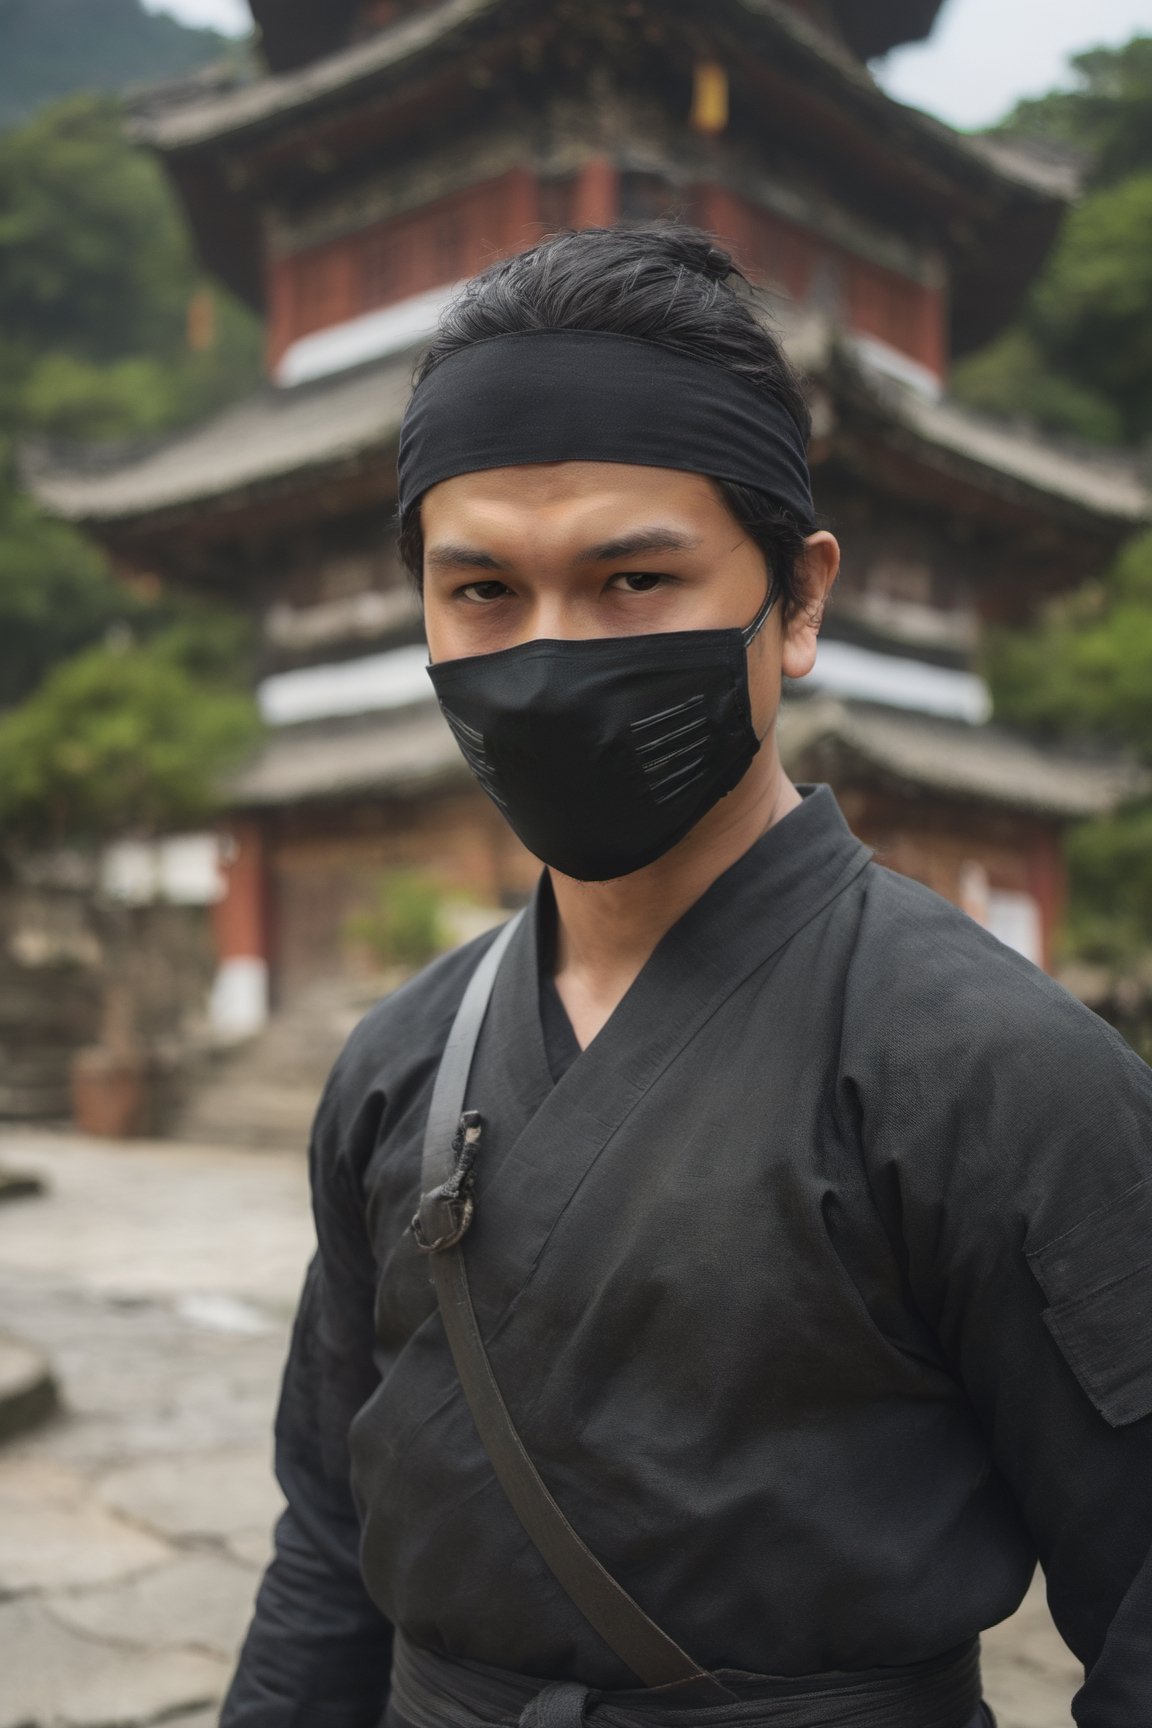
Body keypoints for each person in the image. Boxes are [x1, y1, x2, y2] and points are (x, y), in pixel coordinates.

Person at [219, 226, 1152, 1728]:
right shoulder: (396, 1061)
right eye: (482, 595)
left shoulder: (1001, 1073)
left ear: (798, 599)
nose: (549, 657)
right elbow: (329, 1543)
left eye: (635, 577)